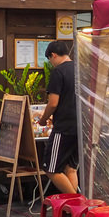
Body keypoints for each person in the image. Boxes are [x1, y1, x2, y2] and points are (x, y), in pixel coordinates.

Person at [37, 41, 79, 194]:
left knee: (51, 169)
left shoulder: (58, 72)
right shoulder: (80, 69)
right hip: (80, 127)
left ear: (53, 55)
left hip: (64, 128)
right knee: (70, 168)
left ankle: (77, 204)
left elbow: (53, 103)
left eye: (50, 59)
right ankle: (70, 211)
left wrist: (43, 119)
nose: (51, 63)